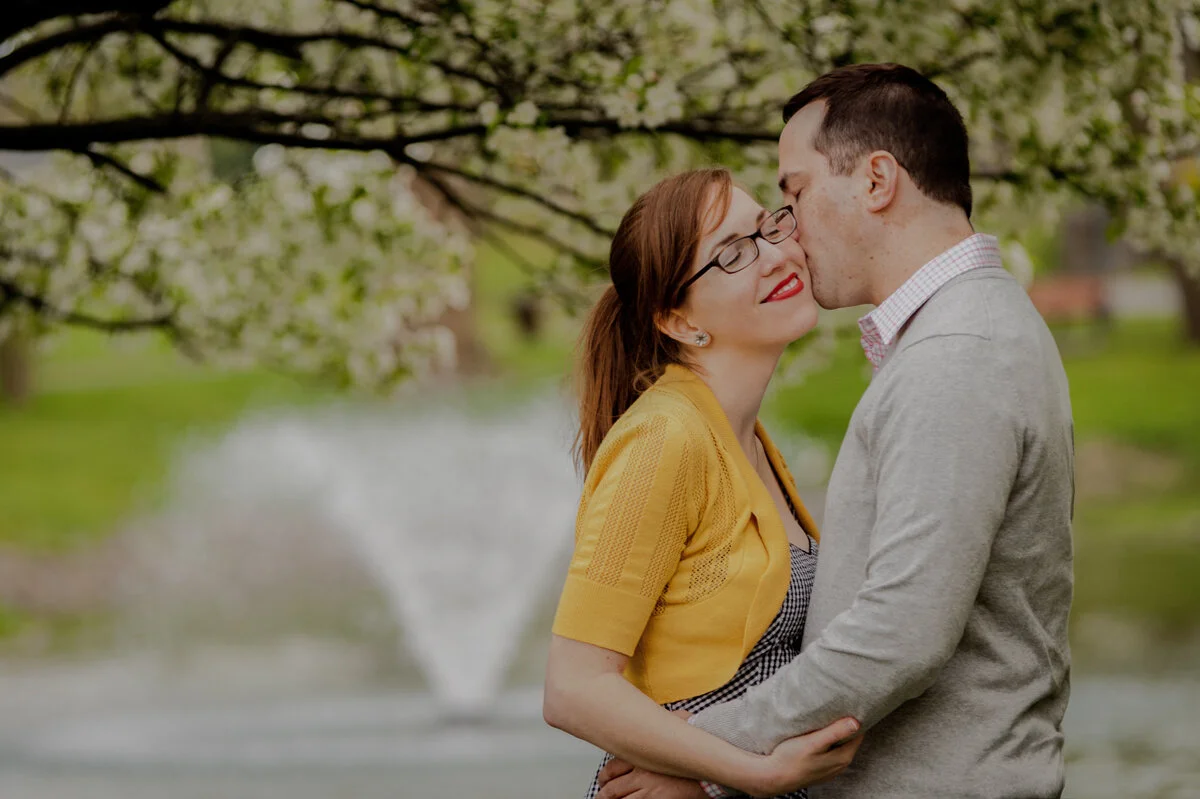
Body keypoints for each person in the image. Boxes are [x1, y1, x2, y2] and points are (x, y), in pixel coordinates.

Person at [597, 63, 1075, 799]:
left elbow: (900, 631)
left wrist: (701, 762)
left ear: (877, 182)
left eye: (795, 192)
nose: (786, 227)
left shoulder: (958, 355)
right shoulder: (962, 335)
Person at [542, 166, 863, 799]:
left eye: (767, 229)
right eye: (732, 255)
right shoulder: (665, 439)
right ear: (678, 321)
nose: (774, 257)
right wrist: (749, 773)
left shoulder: (748, 440)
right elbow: (573, 686)